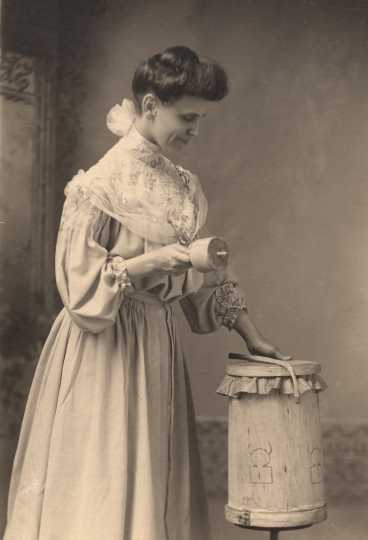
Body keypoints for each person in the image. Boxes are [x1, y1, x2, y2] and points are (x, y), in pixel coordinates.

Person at [4, 46, 290, 540]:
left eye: (201, 119)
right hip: (103, 348)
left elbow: (196, 282)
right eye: (189, 117)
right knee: (105, 478)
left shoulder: (183, 186)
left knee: (155, 476)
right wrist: (149, 262)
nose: (194, 131)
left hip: (157, 345)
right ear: (152, 106)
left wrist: (252, 335)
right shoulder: (98, 186)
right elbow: (79, 289)